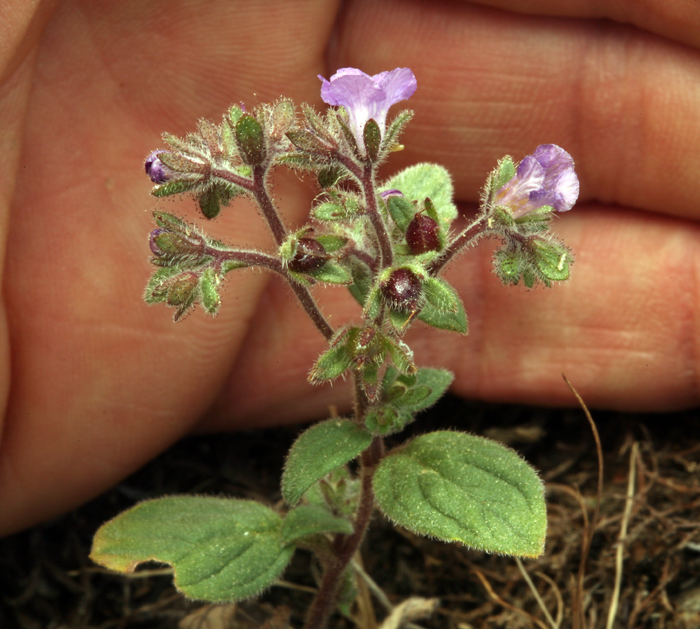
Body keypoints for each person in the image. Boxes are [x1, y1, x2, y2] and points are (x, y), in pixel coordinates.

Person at [0, 0, 697, 537]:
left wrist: (401, 274)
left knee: (408, 203)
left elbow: (396, 252)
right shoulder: (343, 209)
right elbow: (342, 245)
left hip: (383, 269)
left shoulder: (404, 254)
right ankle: (325, 524)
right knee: (355, 208)